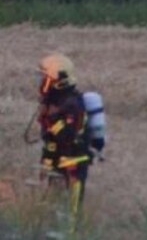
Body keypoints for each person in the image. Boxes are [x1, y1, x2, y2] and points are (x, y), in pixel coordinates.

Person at [37, 53, 93, 225]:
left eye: (45, 79)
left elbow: (66, 135)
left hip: (72, 167)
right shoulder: (58, 103)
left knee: (71, 216)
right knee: (51, 212)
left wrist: (49, 119)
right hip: (57, 166)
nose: (41, 83)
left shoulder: (72, 105)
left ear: (58, 81)